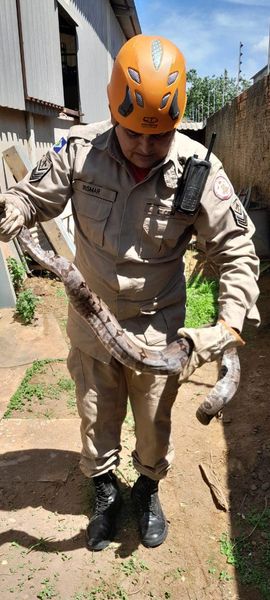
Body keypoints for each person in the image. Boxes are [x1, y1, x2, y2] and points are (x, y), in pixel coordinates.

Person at [0, 35, 260, 551]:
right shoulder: (79, 150)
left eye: (158, 135)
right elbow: (30, 198)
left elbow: (237, 248)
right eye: (133, 133)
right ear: (113, 111)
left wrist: (229, 323)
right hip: (90, 323)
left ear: (176, 120)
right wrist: (15, 208)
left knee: (153, 424)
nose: (145, 147)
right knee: (95, 414)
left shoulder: (198, 170)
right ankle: (103, 491)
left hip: (158, 330)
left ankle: (145, 488)